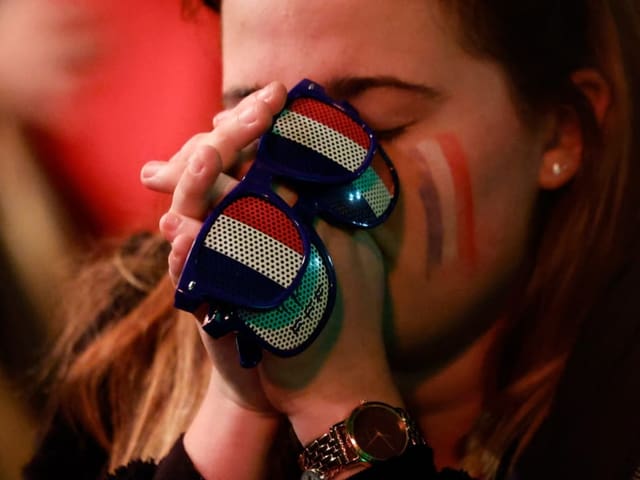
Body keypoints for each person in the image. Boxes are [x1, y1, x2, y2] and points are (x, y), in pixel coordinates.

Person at [22, 0, 640, 479]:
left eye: (369, 126)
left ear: (561, 132)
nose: (287, 185)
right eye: (258, 126)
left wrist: (342, 406)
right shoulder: (131, 339)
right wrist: (236, 416)